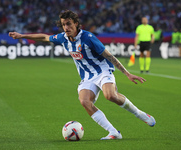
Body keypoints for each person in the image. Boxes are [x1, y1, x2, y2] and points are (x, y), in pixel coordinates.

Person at [9, 10, 156, 140]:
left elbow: (108, 55)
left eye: (69, 24)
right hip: (87, 76)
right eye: (64, 24)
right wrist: (22, 35)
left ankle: (140, 114)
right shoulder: (63, 38)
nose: (66, 27)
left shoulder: (88, 38)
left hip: (103, 70)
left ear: (76, 24)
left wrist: (127, 73)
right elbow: (44, 37)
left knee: (110, 96)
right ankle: (113, 132)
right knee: (84, 101)